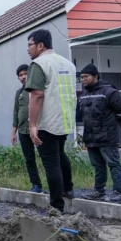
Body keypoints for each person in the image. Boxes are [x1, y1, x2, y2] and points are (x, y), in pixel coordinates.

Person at [25, 29, 77, 213]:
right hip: (64, 120)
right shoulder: (68, 64)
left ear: (40, 45)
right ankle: (68, 189)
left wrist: (32, 125)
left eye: (30, 45)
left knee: (51, 163)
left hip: (47, 122)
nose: (28, 49)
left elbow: (37, 95)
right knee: (60, 155)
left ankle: (56, 206)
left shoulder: (38, 64)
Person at [76, 64, 121, 203]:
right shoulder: (84, 94)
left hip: (108, 137)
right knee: (98, 166)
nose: (83, 79)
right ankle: (99, 192)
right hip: (91, 137)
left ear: (96, 77)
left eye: (86, 77)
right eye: (81, 77)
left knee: (113, 164)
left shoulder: (110, 92)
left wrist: (112, 128)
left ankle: (118, 193)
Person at [11, 64, 43, 194]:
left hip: (39, 130)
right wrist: (13, 132)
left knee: (46, 157)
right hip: (23, 131)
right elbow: (16, 113)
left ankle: (55, 185)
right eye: (21, 75)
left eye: (26, 73)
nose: (23, 77)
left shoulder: (38, 90)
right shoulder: (19, 93)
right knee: (29, 159)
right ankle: (36, 184)